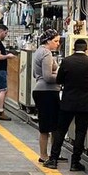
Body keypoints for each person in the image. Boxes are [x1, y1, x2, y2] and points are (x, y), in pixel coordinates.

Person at [43, 38, 88, 171]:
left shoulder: (66, 61)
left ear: (74, 49)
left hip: (68, 102)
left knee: (61, 130)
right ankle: (75, 162)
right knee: (81, 132)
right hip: (85, 104)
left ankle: (53, 160)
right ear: (86, 49)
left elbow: (59, 79)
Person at [32, 30, 66, 164]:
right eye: (55, 41)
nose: (58, 44)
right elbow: (47, 77)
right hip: (47, 92)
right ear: (47, 41)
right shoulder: (46, 53)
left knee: (50, 125)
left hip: (42, 91)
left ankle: (51, 154)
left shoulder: (39, 51)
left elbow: (37, 75)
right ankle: (46, 155)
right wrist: (62, 78)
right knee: (49, 126)